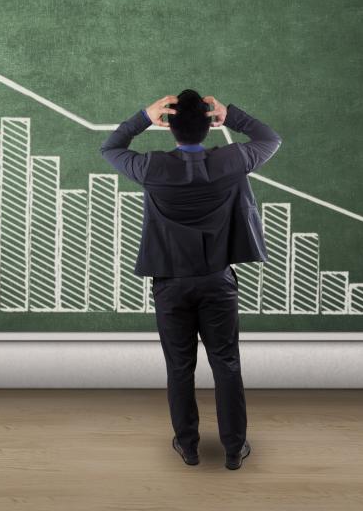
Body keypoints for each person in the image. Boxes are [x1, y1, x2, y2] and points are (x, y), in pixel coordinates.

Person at [99, 90, 282, 470]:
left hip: (171, 285)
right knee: (227, 363)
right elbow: (270, 139)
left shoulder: (153, 168)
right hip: (217, 281)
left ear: (170, 128)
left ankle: (189, 447)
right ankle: (234, 449)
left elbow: (111, 146)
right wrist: (230, 114)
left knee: (179, 367)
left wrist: (143, 116)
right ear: (208, 123)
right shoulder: (232, 161)